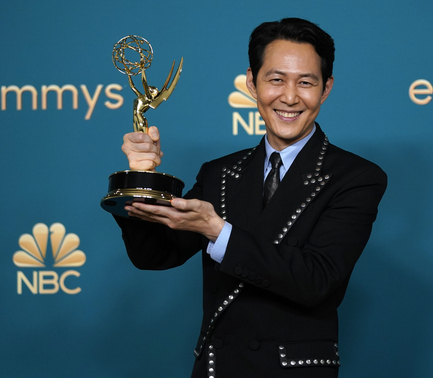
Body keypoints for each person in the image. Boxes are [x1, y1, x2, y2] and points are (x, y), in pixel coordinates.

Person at [114, 17, 387, 378]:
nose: (289, 97)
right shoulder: (219, 173)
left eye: (306, 82)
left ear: (326, 88)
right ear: (251, 83)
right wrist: (143, 175)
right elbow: (155, 255)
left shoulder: (356, 177)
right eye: (276, 79)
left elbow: (317, 279)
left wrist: (219, 232)